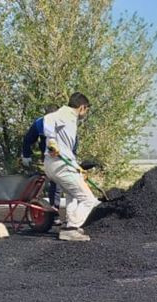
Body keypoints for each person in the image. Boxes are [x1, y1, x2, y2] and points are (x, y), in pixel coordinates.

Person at [43, 93, 99, 242]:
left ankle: (70, 223)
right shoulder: (65, 114)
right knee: (88, 199)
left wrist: (77, 168)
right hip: (59, 164)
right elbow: (48, 119)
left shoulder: (71, 119)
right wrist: (52, 142)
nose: (85, 114)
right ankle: (71, 229)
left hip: (61, 164)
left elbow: (66, 148)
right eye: (86, 110)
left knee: (72, 195)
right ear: (82, 107)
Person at [21, 106, 64, 209]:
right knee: (55, 182)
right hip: (49, 157)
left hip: (64, 156)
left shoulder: (65, 124)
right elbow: (28, 139)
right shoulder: (40, 123)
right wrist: (26, 155)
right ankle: (54, 210)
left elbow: (74, 140)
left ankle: (73, 215)